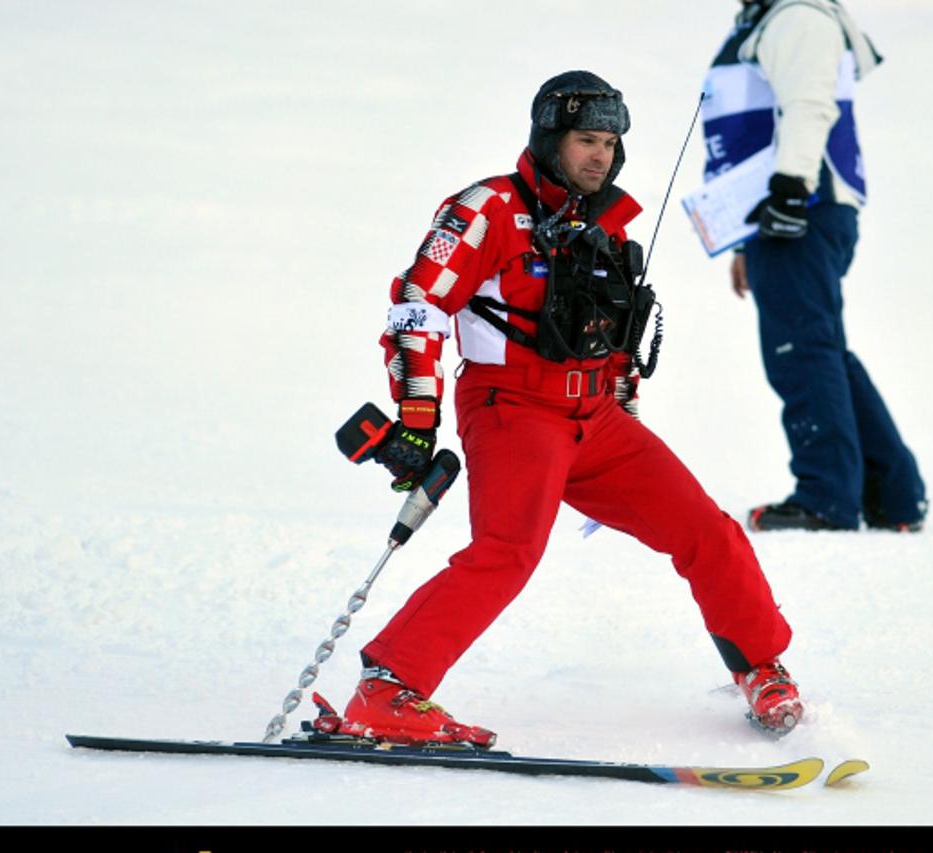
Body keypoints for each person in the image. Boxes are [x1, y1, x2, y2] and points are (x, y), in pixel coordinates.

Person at [333, 70, 803, 747]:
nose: (600, 157)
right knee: (508, 551)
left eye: (610, 144)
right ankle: (386, 691)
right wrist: (415, 416)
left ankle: (762, 669)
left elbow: (607, 338)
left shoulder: (603, 223)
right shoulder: (487, 208)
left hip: (596, 419)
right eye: (586, 140)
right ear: (551, 137)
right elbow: (417, 301)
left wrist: (626, 413)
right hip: (512, 407)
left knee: (708, 529)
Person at [703, 0, 928, 532]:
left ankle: (827, 497)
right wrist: (743, 242)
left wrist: (788, 191)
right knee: (819, 347)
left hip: (799, 209)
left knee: (800, 351)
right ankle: (891, 493)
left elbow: (809, 105)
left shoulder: (797, 16)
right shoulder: (769, 20)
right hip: (783, 213)